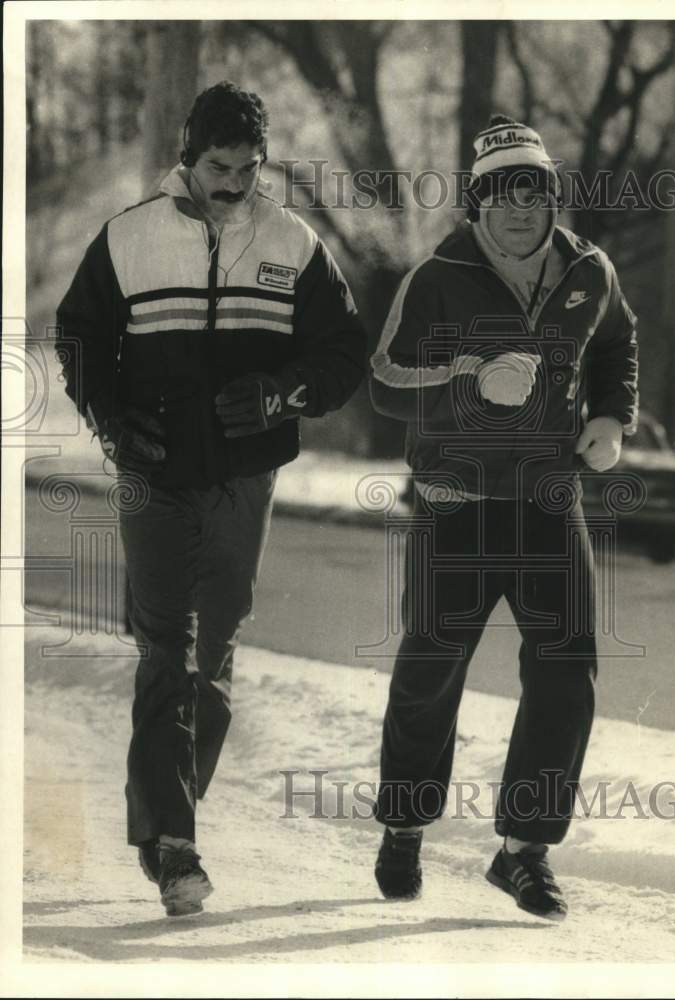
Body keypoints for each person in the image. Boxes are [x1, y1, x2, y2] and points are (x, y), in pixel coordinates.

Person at [56, 82, 367, 917]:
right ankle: (177, 846)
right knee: (166, 645)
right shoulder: (128, 236)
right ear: (188, 159)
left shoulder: (292, 240)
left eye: (248, 168)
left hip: (243, 473)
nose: (234, 182)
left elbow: (343, 352)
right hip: (153, 470)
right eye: (219, 166)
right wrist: (113, 419)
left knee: (217, 645)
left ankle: (160, 821)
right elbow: (78, 337)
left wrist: (280, 391)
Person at [369, 114, 638, 920]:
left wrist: (612, 416)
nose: (524, 211)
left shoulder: (589, 269)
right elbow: (383, 381)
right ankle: (404, 827)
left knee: (566, 671)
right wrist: (468, 379)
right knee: (430, 671)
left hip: (549, 500)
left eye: (538, 194)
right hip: (454, 505)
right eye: (506, 195)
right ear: (477, 201)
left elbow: (615, 343)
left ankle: (523, 850)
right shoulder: (436, 277)